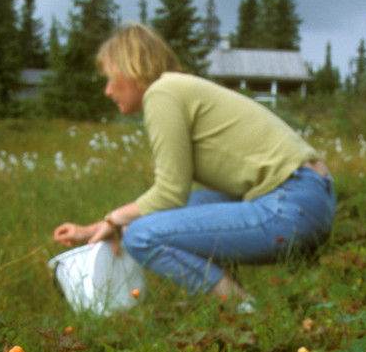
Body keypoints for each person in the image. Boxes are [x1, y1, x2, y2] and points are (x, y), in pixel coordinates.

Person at [53, 22, 335, 308]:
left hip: (289, 206)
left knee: (140, 234)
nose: (107, 90)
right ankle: (239, 297)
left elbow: (169, 193)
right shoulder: (176, 89)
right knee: (146, 220)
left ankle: (245, 311)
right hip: (309, 197)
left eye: (111, 77)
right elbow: (173, 201)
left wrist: (111, 220)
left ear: (131, 69)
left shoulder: (162, 93)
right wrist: (115, 223)